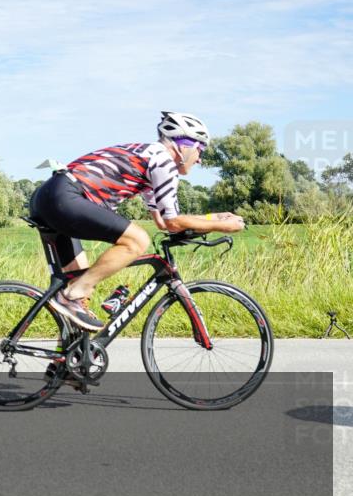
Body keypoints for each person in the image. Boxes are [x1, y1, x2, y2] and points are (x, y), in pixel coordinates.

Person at [28, 111, 246, 331]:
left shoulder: (149, 158)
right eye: (200, 150)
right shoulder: (163, 161)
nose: (200, 158)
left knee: (79, 294)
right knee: (137, 240)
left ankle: (64, 360)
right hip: (66, 197)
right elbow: (173, 223)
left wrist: (212, 217)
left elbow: (162, 220)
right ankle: (71, 295)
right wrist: (222, 225)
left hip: (51, 196)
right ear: (183, 146)